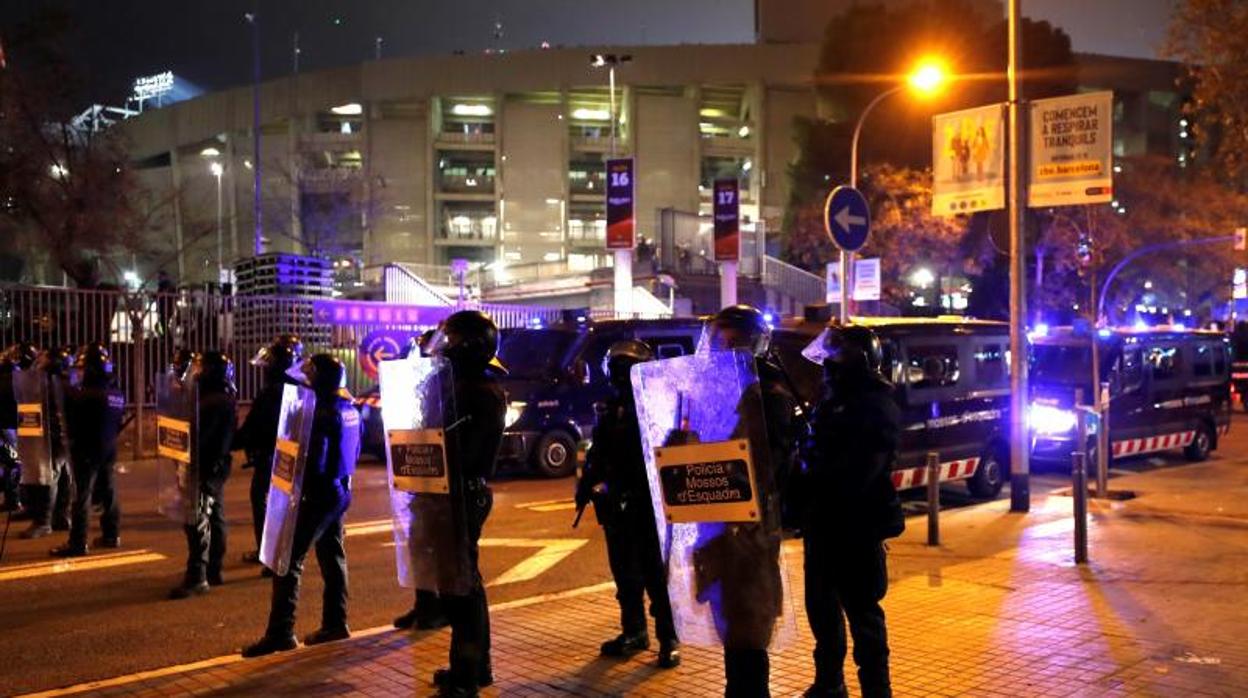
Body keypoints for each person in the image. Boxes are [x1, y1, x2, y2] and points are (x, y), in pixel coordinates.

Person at [799, 323, 904, 698]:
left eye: (834, 359)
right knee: (822, 609)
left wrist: (815, 476)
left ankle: (877, 690)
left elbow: (858, 472)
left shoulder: (875, 405)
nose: (826, 367)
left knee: (863, 615)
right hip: (824, 525)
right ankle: (829, 682)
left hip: (856, 528)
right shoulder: (833, 400)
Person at [703, 305, 798, 698]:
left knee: (750, 619)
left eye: (726, 343)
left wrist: (731, 477)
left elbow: (768, 464)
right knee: (729, 616)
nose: (717, 351)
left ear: (749, 345)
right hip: (723, 521)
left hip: (753, 526)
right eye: (716, 341)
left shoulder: (768, 395)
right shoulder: (724, 389)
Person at [243, 353, 359, 657]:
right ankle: (336, 623)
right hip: (340, 491)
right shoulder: (347, 407)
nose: (304, 378)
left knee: (286, 562)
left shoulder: (320, 413)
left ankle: (281, 632)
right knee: (332, 555)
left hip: (318, 494)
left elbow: (314, 463)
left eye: (310, 374)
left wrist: (292, 483)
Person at [576, 339, 680, 668]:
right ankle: (634, 631)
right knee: (625, 575)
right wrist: (587, 483)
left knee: (655, 576)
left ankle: (668, 638)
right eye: (617, 371)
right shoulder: (610, 407)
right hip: (616, 504)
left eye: (626, 371)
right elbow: (599, 452)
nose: (621, 378)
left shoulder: (657, 406)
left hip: (648, 504)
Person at [427, 311, 506, 697]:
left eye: (450, 341)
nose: (443, 348)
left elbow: (465, 451)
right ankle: (474, 665)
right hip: (451, 492)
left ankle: (468, 675)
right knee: (460, 584)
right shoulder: (460, 385)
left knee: (463, 587)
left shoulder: (480, 390)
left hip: (464, 492)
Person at [393, 328, 450, 632]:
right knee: (418, 544)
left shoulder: (451, 383)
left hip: (442, 480)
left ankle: (439, 609)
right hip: (423, 475)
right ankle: (424, 604)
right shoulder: (428, 381)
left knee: (438, 549)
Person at [170, 351, 238, 597]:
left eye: (199, 368)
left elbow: (204, 439)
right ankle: (213, 569)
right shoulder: (218, 396)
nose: (194, 372)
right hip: (213, 466)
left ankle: (198, 576)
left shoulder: (213, 401)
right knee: (214, 516)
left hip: (204, 467)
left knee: (197, 521)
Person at [233, 334, 303, 572]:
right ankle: (277, 553)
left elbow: (253, 428)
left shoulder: (272, 393)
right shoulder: (300, 388)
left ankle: (271, 555)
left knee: (266, 503)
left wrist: (228, 444)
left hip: (272, 457)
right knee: (283, 504)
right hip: (291, 456)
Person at [50, 343, 124, 557]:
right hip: (108, 449)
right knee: (109, 493)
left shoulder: (83, 396)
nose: (78, 373)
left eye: (82, 369)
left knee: (81, 496)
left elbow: (71, 419)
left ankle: (78, 542)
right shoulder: (116, 394)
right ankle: (111, 534)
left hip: (86, 451)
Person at [19, 346, 72, 540]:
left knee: (48, 477)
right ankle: (62, 517)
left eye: (43, 360)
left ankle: (43, 522)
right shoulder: (66, 381)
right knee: (64, 476)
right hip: (65, 437)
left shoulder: (47, 384)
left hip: (53, 437)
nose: (38, 362)